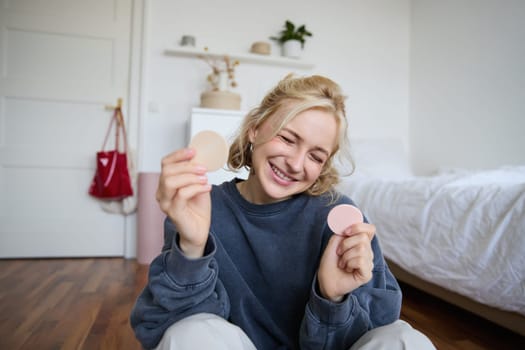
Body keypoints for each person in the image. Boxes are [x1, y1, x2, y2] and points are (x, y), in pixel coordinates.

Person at [130, 74, 435, 350]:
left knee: (405, 339)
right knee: (190, 333)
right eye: (288, 139)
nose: (296, 163)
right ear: (254, 129)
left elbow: (376, 330)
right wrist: (193, 249)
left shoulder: (340, 216)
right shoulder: (202, 208)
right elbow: (162, 327)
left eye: (316, 156)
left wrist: (333, 298)